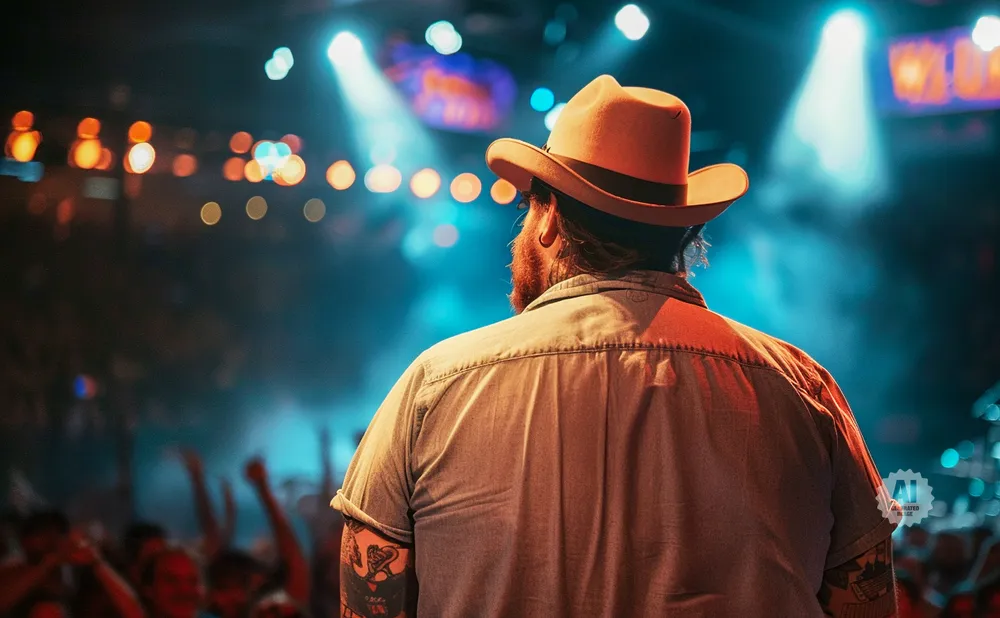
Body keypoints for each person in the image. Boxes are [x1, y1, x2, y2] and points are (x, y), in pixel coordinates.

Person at [332, 74, 897, 617]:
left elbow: (368, 599)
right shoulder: (800, 386)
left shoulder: (435, 385)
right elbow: (865, 597)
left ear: (549, 219)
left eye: (529, 206)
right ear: (684, 231)